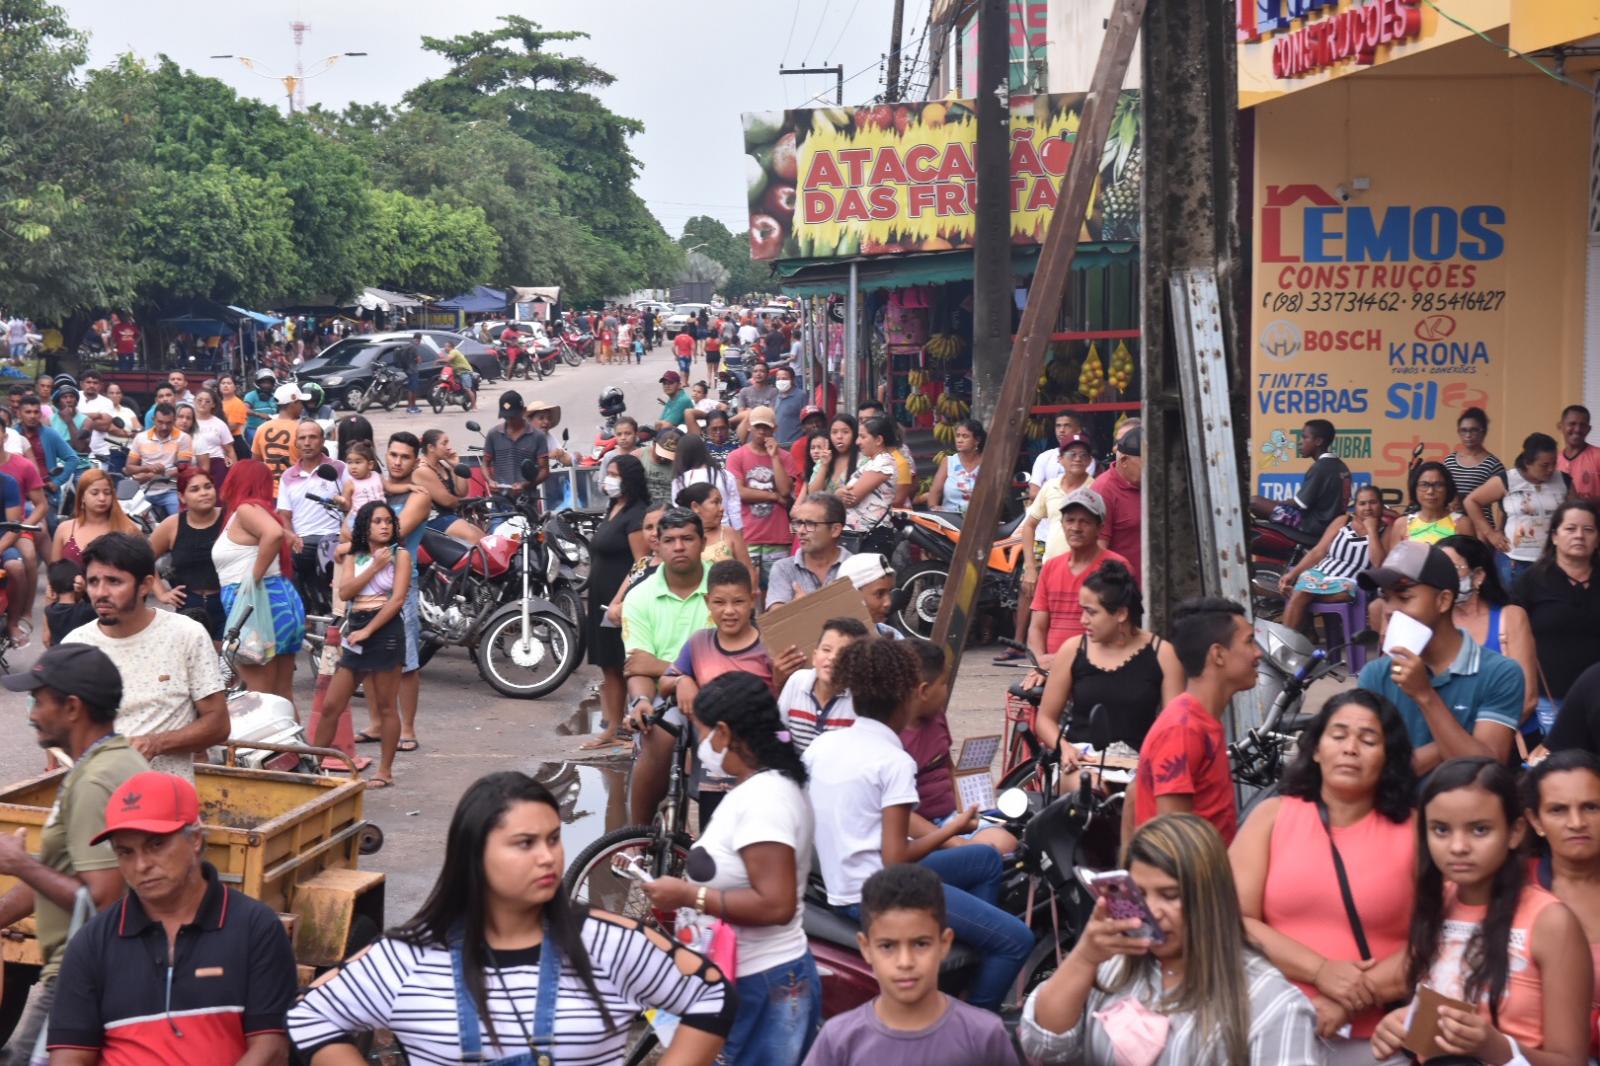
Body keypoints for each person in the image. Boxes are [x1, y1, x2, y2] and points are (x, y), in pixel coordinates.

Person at [288, 772, 734, 1064]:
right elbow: (309, 1017)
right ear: (474, 855)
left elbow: (712, 996)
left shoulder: (609, 943)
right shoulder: (407, 957)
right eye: (525, 843)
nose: (548, 857)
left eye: (554, 839)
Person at [805, 638, 1033, 1012]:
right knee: (1015, 940)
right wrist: (950, 831)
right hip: (877, 890)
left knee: (985, 861)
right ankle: (972, 1022)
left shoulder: (824, 744)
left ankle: (963, 965)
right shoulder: (893, 761)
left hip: (842, 877)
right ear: (909, 698)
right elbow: (897, 860)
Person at [1019, 814, 1321, 1065]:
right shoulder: (1114, 964)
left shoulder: (1270, 1003)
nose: (1152, 911)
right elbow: (1043, 1042)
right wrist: (1085, 955)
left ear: (1211, 897)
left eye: (1170, 895)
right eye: (1140, 893)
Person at [46, 770, 297, 1064]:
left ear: (195, 840)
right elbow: (70, 1056)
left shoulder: (256, 928)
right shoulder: (91, 943)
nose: (141, 865)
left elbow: (271, 1050)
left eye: (156, 845)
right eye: (125, 852)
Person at [639, 674, 820, 1065]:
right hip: (742, 974)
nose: (700, 747)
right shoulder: (758, 787)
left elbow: (776, 905)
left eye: (702, 734)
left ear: (724, 732)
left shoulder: (766, 800)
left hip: (764, 979)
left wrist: (689, 895)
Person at [1229, 690, 1417, 1061]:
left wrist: (1349, 1001)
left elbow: (1440, 939)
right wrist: (1319, 972)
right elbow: (1233, 921)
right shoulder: (1272, 816)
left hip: (1381, 1038)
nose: (1351, 748)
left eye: (1368, 740)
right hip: (1272, 1022)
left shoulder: (1419, 830)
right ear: (1315, 749)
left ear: (1388, 758)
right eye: (1338, 735)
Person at [1370, 757, 1592, 1065]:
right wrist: (1400, 1024)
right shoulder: (1437, 903)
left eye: (1479, 830)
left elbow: (1571, 1061)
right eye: (1441, 830)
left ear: (1514, 832)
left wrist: (1496, 1047)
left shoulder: (1551, 923)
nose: (1458, 846)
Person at [0, 645, 149, 1058]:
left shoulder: (96, 780)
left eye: (38, 700)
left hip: (78, 976)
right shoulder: (105, 764)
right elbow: (62, 873)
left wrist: (19, 864)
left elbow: (101, 899)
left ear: (71, 707)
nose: (30, 713)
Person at [804, 864, 1019, 1066]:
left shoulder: (984, 1035)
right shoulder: (839, 1039)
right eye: (888, 946)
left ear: (944, 944)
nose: (905, 962)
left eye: (920, 944)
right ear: (866, 948)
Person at [63, 534, 227, 780]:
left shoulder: (186, 635)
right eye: (93, 582)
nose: (100, 592)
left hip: (166, 805)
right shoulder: (75, 645)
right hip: (96, 801)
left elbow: (218, 725)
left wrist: (155, 743)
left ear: (145, 585)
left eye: (114, 582)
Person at [1357, 540, 1522, 772]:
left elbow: (1486, 768)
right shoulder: (1375, 674)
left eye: (1404, 598)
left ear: (1443, 601)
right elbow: (1367, 767)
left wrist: (1425, 695)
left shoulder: (1500, 673)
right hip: (1396, 808)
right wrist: (1457, 740)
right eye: (1386, 598)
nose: (1390, 610)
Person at [658, 561, 793, 821]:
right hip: (713, 769)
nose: (729, 611)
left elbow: (786, 703)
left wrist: (780, 678)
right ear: (708, 601)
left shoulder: (770, 644)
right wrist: (681, 681)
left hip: (760, 767)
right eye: (719, 602)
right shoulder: (698, 642)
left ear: (753, 600)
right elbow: (664, 683)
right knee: (715, 837)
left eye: (738, 602)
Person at [1132, 597, 1259, 844]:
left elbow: (1131, 796)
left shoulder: (1201, 720)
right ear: (1218, 654)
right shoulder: (1183, 729)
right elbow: (1174, 840)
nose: (1258, 653)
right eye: (1249, 641)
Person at [1034, 560, 1183, 762]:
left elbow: (1174, 727)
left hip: (1140, 765)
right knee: (1090, 787)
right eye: (1082, 610)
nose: (1083, 620)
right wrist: (1065, 749)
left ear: (1121, 613)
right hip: (1082, 761)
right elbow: (1045, 719)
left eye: (1092, 612)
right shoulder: (1073, 650)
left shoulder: (1163, 654)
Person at [622, 508, 712, 826]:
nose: (678, 547)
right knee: (659, 733)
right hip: (663, 695)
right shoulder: (639, 597)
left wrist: (671, 671)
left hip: (716, 690)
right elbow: (637, 668)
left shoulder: (722, 588)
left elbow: (728, 657)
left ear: (703, 542)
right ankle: (637, 835)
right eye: (670, 540)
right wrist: (641, 702)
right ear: (656, 545)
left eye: (688, 538)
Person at [312, 502, 411, 789]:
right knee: (331, 705)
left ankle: (384, 771)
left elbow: (397, 600)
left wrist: (368, 630)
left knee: (385, 706)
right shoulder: (356, 555)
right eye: (377, 521)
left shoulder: (400, 555)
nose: (384, 526)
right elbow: (345, 591)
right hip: (356, 628)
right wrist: (375, 567)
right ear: (365, 526)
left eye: (388, 521)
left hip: (384, 630)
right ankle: (314, 766)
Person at [1522, 749, 1600, 1054]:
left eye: (1591, 807)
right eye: (1558, 810)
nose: (1577, 822)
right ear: (1535, 821)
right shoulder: (1512, 889)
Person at [214, 460, 305, 705]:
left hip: (258, 607)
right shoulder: (258, 512)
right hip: (279, 602)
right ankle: (288, 743)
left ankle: (266, 745)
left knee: (259, 696)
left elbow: (273, 534)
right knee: (282, 696)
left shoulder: (246, 509)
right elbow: (276, 533)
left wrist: (252, 578)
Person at [1514, 499, 1600, 736]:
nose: (1579, 536)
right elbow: (1511, 636)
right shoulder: (1531, 582)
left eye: (1589, 530)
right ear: (1554, 536)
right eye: (1570, 529)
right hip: (1549, 698)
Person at [1436, 533, 1539, 727]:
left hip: (1507, 741)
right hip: (1449, 747)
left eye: (1452, 569)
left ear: (1479, 576)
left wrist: (1482, 742)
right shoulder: (1433, 621)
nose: (1442, 578)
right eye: (1437, 570)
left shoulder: (1510, 617)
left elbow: (1527, 698)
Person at [583, 454, 649, 750]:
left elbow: (642, 564)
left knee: (623, 664)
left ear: (629, 480)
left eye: (614, 474)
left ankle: (625, 727)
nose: (608, 479)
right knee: (607, 664)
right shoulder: (614, 507)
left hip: (620, 602)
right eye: (608, 473)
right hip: (600, 598)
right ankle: (612, 727)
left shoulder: (636, 515)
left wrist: (622, 601)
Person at [1026, 488, 1130, 661]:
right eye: (1070, 520)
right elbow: (1037, 626)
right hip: (1051, 666)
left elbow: (1124, 628)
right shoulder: (1051, 567)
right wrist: (1040, 660)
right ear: (1062, 524)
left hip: (1100, 665)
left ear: (1100, 527)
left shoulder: (1116, 567)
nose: (1076, 528)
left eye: (1085, 522)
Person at [380, 434, 434, 755]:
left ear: (415, 461)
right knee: (372, 659)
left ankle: (408, 728)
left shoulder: (420, 496)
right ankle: (376, 723)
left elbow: (391, 532)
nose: (398, 462)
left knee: (407, 661)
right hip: (367, 581)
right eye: (393, 455)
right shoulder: (375, 486)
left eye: (405, 457)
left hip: (402, 583)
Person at [1466, 431, 1570, 590]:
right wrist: (1490, 534)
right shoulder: (1508, 480)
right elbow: (1471, 501)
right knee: (1514, 607)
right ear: (1528, 462)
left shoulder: (1563, 481)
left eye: (1554, 463)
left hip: (1553, 561)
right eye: (1544, 465)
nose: (1550, 470)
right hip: (1514, 561)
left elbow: (1577, 513)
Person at [1278, 483, 1386, 632]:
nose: (1367, 508)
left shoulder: (1385, 531)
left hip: (1351, 583)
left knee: (1313, 593)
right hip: (1320, 574)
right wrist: (1292, 574)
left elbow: (1378, 563)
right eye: (1362, 503)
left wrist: (1372, 530)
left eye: (1373, 502)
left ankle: (1305, 598)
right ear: (1356, 507)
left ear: (1381, 505)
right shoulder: (1343, 521)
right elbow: (1318, 552)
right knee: (1304, 590)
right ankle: (1285, 645)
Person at [276, 422, 349, 617]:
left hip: (333, 538)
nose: (307, 443)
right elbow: (284, 514)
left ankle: (333, 615)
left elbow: (353, 504)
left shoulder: (338, 469)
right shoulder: (287, 476)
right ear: (296, 443)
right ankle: (303, 616)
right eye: (302, 438)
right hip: (302, 541)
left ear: (322, 441)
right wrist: (291, 536)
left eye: (313, 437)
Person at [148, 466, 227, 640]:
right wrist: (161, 592)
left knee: (227, 664)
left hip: (228, 604)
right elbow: (142, 558)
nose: (204, 493)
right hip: (188, 607)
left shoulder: (230, 520)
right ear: (182, 496)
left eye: (208, 486)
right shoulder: (172, 525)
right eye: (195, 489)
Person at [725, 406, 797, 585]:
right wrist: (773, 497)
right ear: (749, 426)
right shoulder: (736, 456)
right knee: (747, 589)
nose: (761, 431)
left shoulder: (785, 457)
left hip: (778, 537)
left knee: (777, 590)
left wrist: (774, 457)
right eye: (757, 427)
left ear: (774, 429)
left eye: (766, 427)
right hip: (748, 536)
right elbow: (739, 492)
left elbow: (785, 491)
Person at [1248, 418, 1351, 540]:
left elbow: (1300, 503)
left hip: (1312, 525)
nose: (1300, 442)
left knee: (1254, 502)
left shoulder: (1320, 467)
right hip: (1331, 524)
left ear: (1318, 441)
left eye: (1305, 437)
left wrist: (1274, 504)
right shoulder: (1340, 465)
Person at [778, 616, 867, 753]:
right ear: (814, 656)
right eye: (826, 649)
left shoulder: (859, 699)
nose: (832, 657)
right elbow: (780, 727)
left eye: (843, 653)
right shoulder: (797, 681)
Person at [767, 493, 852, 609]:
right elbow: (777, 621)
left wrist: (806, 608)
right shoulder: (783, 568)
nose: (801, 531)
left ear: (835, 530)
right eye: (798, 523)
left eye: (810, 524)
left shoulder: (856, 568)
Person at [677, 482, 757, 590]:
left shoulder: (730, 534)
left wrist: (748, 598)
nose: (721, 508)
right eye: (715, 502)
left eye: (721, 503)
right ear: (695, 507)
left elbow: (749, 571)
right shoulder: (681, 539)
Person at [51, 470, 135, 567]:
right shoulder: (64, 529)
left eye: (107, 493)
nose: (102, 498)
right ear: (82, 497)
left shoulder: (127, 528)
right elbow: (54, 575)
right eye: (95, 493)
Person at [1383, 460, 1473, 551]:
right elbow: (1394, 564)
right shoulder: (1402, 524)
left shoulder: (1462, 523)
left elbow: (1470, 562)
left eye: (1438, 485)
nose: (1430, 491)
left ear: (1448, 489)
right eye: (1424, 485)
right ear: (1415, 488)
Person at [123, 402, 191, 521]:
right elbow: (129, 468)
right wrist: (149, 468)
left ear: (174, 420)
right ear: (154, 419)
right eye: (160, 422)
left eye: (168, 423)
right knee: (129, 519)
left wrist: (150, 474)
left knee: (180, 522)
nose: (164, 427)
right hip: (143, 491)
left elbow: (184, 468)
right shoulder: (141, 438)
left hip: (171, 490)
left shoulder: (183, 438)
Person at [414, 429, 483, 544]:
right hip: (432, 521)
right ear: (431, 447)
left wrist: (455, 465)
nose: (449, 447)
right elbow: (447, 501)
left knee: (484, 538)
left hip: (449, 517)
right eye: (444, 443)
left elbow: (462, 492)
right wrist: (465, 502)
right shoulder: (423, 470)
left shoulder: (441, 466)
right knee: (474, 539)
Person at [839, 415, 898, 546]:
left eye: (863, 437)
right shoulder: (872, 462)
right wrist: (839, 494)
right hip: (862, 533)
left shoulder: (883, 462)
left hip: (871, 535)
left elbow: (851, 498)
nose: (857, 442)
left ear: (878, 440)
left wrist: (838, 494)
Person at [481, 391, 549, 497]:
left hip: (527, 500)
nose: (510, 420)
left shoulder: (537, 436)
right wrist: (490, 481)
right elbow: (485, 464)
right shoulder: (493, 434)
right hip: (500, 498)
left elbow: (544, 470)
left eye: (513, 417)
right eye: (506, 417)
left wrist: (526, 485)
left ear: (523, 411)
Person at [672, 432, 744, 531]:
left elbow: (679, 513)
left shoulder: (681, 480)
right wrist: (738, 534)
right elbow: (735, 511)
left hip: (695, 534)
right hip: (724, 533)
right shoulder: (726, 476)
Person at [1445, 406, 1505, 512]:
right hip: (1452, 524)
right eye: (1464, 430)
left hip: (1481, 525)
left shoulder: (1493, 465)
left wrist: (1499, 528)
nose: (1468, 435)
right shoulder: (1449, 461)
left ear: (1483, 432)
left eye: (1474, 430)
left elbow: (1503, 503)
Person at [251, 382, 308, 487]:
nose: (302, 406)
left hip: (268, 490)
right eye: (300, 402)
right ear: (293, 404)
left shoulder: (262, 428)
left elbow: (255, 462)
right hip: (294, 488)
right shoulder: (302, 429)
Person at [839, 552, 902, 640]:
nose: (888, 603)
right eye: (879, 594)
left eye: (890, 592)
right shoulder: (828, 643)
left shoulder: (894, 638)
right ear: (852, 595)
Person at [926, 419, 982, 514]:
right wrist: (934, 509)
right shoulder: (949, 461)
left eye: (965, 436)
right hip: (951, 519)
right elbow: (935, 492)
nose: (959, 440)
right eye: (957, 436)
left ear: (977, 440)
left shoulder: (986, 463)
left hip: (979, 518)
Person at [41, 560, 95, 646]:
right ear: (77, 584)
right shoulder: (85, 610)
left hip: (59, 656)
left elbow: (46, 639)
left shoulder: (50, 610)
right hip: (82, 656)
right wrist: (85, 588)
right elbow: (98, 604)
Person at [187, 387, 237, 480]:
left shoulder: (219, 424)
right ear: (193, 401)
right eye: (199, 400)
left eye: (207, 401)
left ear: (213, 405)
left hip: (215, 462)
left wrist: (234, 473)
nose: (203, 403)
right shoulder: (187, 421)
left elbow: (230, 450)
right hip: (191, 462)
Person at [809, 414, 859, 497]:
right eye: (834, 432)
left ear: (854, 434)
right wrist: (824, 466)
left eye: (845, 432)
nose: (839, 437)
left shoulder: (863, 460)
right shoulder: (824, 458)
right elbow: (813, 493)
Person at [1559, 403, 1600, 502]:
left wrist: (1579, 502)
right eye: (1572, 424)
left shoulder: (1598, 456)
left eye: (1583, 425)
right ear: (1560, 426)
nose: (1577, 429)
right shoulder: (1554, 462)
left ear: (1588, 429)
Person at [338, 442, 387, 518]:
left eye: (358, 462)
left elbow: (390, 488)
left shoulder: (377, 476)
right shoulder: (350, 483)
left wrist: (407, 487)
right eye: (350, 462)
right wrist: (341, 501)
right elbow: (346, 507)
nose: (353, 467)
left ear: (370, 465)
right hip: (360, 520)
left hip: (381, 516)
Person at [770, 365, 805, 446]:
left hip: (793, 444)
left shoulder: (801, 396)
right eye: (778, 379)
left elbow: (806, 421)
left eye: (784, 379)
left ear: (792, 380)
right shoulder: (775, 396)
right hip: (777, 444)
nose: (781, 381)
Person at [643, 428, 679, 506]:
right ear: (654, 444)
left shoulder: (677, 464)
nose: (663, 458)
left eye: (668, 455)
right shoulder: (640, 456)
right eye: (661, 453)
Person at [241, 369, 278, 444]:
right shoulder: (251, 396)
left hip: (272, 430)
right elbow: (244, 409)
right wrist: (259, 414)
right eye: (264, 383)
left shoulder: (275, 397)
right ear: (258, 384)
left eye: (269, 383)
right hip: (254, 430)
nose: (267, 385)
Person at [658, 370, 696, 435]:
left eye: (670, 382)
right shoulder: (672, 398)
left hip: (682, 440)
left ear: (679, 385)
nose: (666, 386)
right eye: (664, 383)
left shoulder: (682, 400)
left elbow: (665, 425)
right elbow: (660, 421)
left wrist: (658, 424)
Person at [394, 331, 424, 414]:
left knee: (411, 389)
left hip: (407, 369)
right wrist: (419, 360)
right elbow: (419, 360)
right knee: (412, 389)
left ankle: (413, 406)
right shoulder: (414, 347)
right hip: (413, 370)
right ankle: (411, 407)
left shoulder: (408, 345)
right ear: (419, 339)